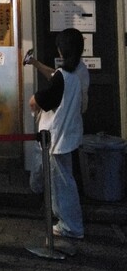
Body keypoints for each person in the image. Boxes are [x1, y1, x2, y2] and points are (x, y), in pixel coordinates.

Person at [28, 28, 86, 239]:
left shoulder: (63, 76)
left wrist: (34, 101)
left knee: (62, 185)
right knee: (61, 181)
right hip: (68, 135)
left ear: (62, 50)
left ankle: (70, 227)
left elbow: (41, 100)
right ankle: (66, 222)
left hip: (56, 138)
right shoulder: (80, 71)